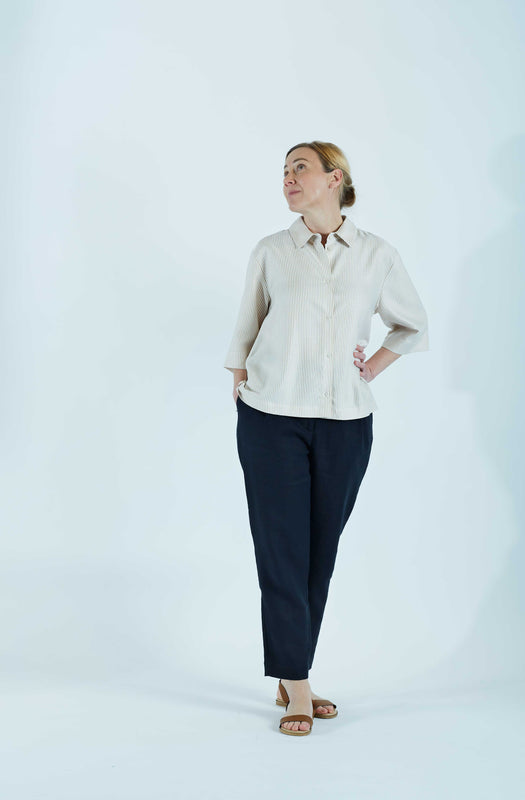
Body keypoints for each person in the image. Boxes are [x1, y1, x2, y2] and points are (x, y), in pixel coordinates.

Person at [223, 141, 429, 736]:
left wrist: (372, 367)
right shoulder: (272, 251)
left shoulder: (376, 255)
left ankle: (292, 671)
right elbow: (245, 326)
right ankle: (298, 683)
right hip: (271, 416)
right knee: (281, 550)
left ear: (334, 178)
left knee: (319, 553)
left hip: (346, 421)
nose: (288, 178)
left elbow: (411, 324)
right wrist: (241, 387)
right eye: (284, 171)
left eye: (300, 168)